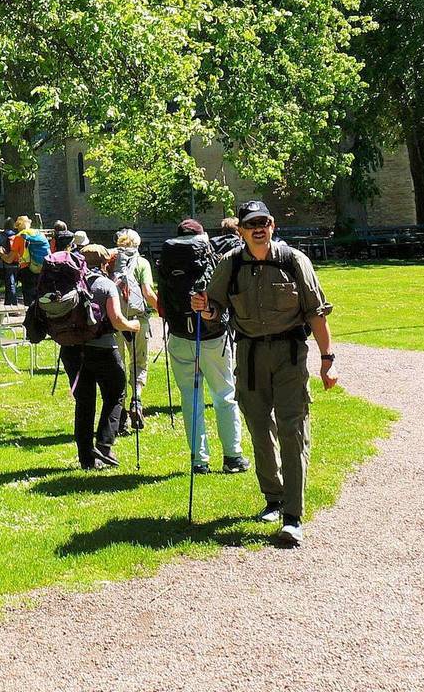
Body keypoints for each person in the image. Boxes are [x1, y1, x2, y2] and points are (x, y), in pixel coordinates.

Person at [192, 200, 337, 548]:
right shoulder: (231, 263)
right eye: (250, 224)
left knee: (292, 428)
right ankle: (273, 498)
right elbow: (215, 308)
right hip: (250, 354)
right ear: (241, 230)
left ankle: (292, 516)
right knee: (258, 427)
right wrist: (205, 309)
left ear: (272, 225)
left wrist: (328, 357)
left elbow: (316, 312)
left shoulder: (294, 261)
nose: (257, 228)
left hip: (289, 354)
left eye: (263, 222)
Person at [156, 219, 250, 477]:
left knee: (190, 398)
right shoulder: (208, 254)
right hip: (211, 335)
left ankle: (199, 460)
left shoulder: (167, 258)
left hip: (178, 336)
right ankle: (233, 456)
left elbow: (161, 303)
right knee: (224, 395)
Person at [62, 244, 142, 470]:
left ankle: (86, 459)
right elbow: (117, 320)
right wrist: (133, 326)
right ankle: (105, 445)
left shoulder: (68, 283)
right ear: (106, 263)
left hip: (72, 351)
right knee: (116, 392)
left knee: (84, 402)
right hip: (102, 349)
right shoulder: (106, 285)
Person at [111, 229, 159, 434]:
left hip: (116, 321)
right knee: (139, 362)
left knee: (118, 364)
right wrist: (163, 310)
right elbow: (147, 292)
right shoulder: (142, 263)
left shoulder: (112, 260)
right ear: (137, 245)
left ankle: (120, 414)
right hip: (139, 320)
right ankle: (137, 399)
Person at [0, 218, 20, 306]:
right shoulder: (17, 235)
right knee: (12, 283)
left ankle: (14, 304)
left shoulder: (0, 236)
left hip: (6, 262)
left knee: (10, 283)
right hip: (16, 262)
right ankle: (7, 304)